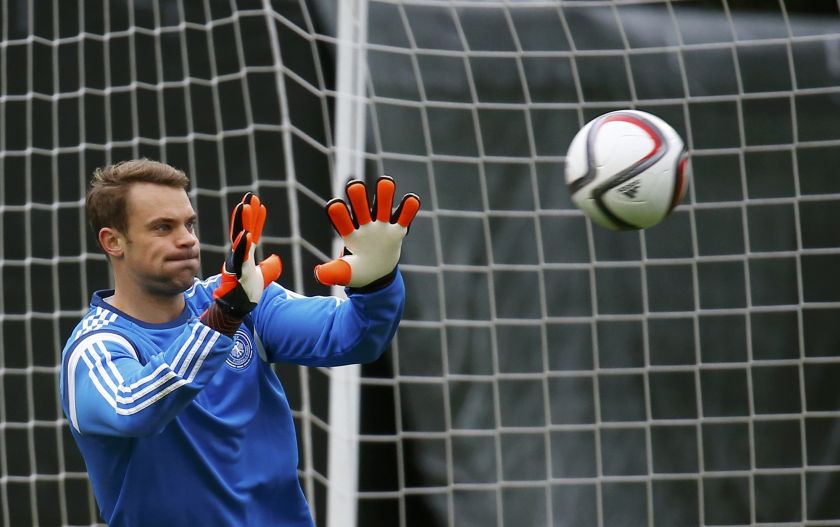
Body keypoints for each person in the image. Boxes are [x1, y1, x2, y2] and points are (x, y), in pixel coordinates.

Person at [59, 159, 420, 526]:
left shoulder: (244, 299)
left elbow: (352, 337)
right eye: (163, 227)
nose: (186, 238)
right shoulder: (95, 346)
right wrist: (224, 317)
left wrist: (377, 284)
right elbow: (135, 409)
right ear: (113, 241)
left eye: (189, 223)